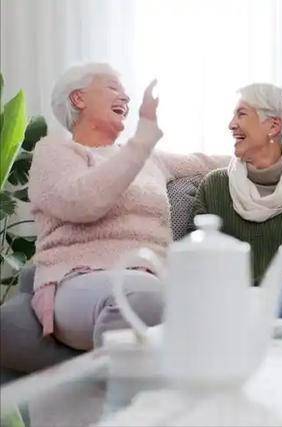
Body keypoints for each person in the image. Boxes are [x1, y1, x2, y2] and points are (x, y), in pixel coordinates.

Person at [28, 63, 229, 349]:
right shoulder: (55, 152)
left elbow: (209, 163)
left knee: (202, 300)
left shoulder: (149, 158)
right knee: (140, 294)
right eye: (112, 88)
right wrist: (142, 140)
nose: (125, 98)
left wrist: (273, 154)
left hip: (153, 278)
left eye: (125, 93)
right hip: (78, 277)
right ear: (78, 98)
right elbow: (83, 203)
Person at [192, 83, 282, 322]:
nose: (231, 124)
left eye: (241, 114)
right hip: (226, 295)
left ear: (273, 126)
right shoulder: (214, 186)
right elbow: (194, 253)